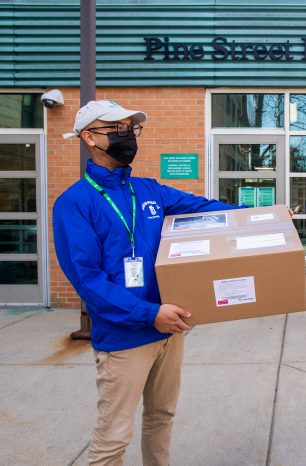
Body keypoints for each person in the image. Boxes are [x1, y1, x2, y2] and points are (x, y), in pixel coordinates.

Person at [53, 100, 242, 466]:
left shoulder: (149, 191)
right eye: (118, 129)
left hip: (169, 330)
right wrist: (148, 314)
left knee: (161, 418)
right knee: (113, 438)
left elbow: (204, 208)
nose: (128, 136)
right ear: (89, 137)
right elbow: (88, 280)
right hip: (125, 337)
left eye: (131, 129)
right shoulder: (74, 204)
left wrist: (265, 215)